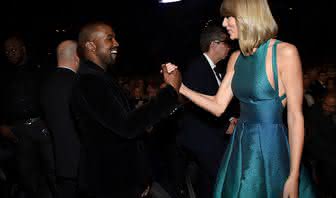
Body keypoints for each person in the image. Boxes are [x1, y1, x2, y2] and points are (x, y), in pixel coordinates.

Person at [168, 0, 317, 197]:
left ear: (250, 16)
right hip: (240, 145)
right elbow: (218, 105)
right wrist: (181, 87)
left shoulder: (285, 53)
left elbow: (296, 117)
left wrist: (293, 175)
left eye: (230, 17)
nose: (224, 23)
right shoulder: (236, 58)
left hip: (271, 146)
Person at [70, 21, 181, 198]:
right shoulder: (89, 82)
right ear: (91, 46)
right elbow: (128, 126)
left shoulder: (100, 78)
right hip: (110, 184)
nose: (116, 43)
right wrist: (169, 92)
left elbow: (130, 125)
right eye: (109, 38)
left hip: (120, 181)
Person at [177, 24, 238, 198]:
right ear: (213, 44)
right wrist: (225, 125)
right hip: (203, 139)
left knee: (209, 184)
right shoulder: (198, 68)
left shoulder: (215, 69)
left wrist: (231, 118)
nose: (229, 47)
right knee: (222, 181)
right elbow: (197, 107)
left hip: (213, 135)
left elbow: (219, 101)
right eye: (226, 43)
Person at [0, 34, 55, 198]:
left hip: (42, 126)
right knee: (26, 174)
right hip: (18, 129)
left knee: (52, 169)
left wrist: (49, 122)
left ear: (23, 49)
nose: (10, 53)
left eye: (13, 50)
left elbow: (51, 96)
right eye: (7, 51)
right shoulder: (4, 74)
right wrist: (1, 125)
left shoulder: (40, 68)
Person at [40, 40, 80, 198]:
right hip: (81, 163)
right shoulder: (78, 84)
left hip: (57, 161)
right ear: (77, 57)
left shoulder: (45, 84)